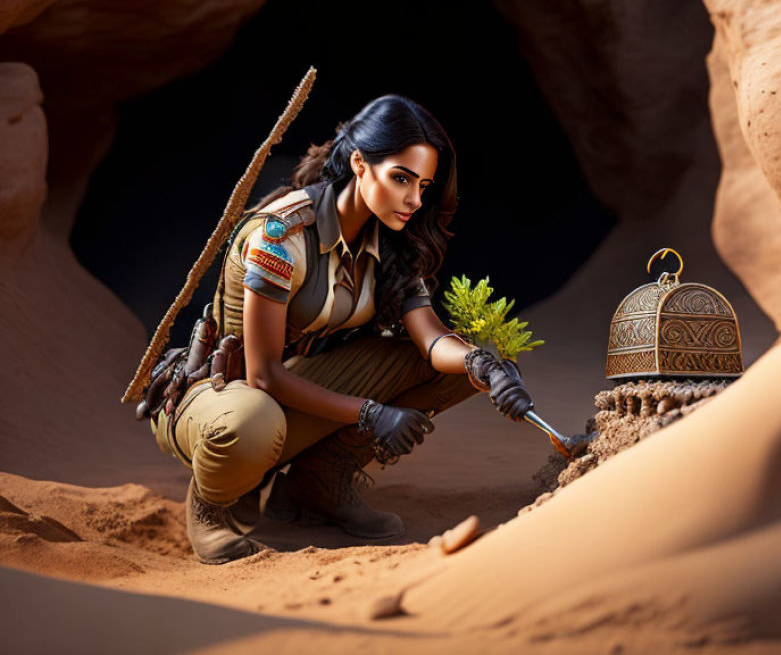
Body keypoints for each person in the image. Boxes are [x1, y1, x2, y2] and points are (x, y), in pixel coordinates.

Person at [150, 95, 535, 563]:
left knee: (463, 364)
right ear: (359, 163)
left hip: (292, 383)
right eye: (401, 178)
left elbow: (432, 341)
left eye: (424, 185)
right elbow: (263, 374)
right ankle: (212, 506)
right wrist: (372, 415)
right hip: (221, 393)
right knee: (252, 422)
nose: (415, 199)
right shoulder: (281, 235)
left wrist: (484, 365)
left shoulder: (389, 240)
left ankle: (320, 481)